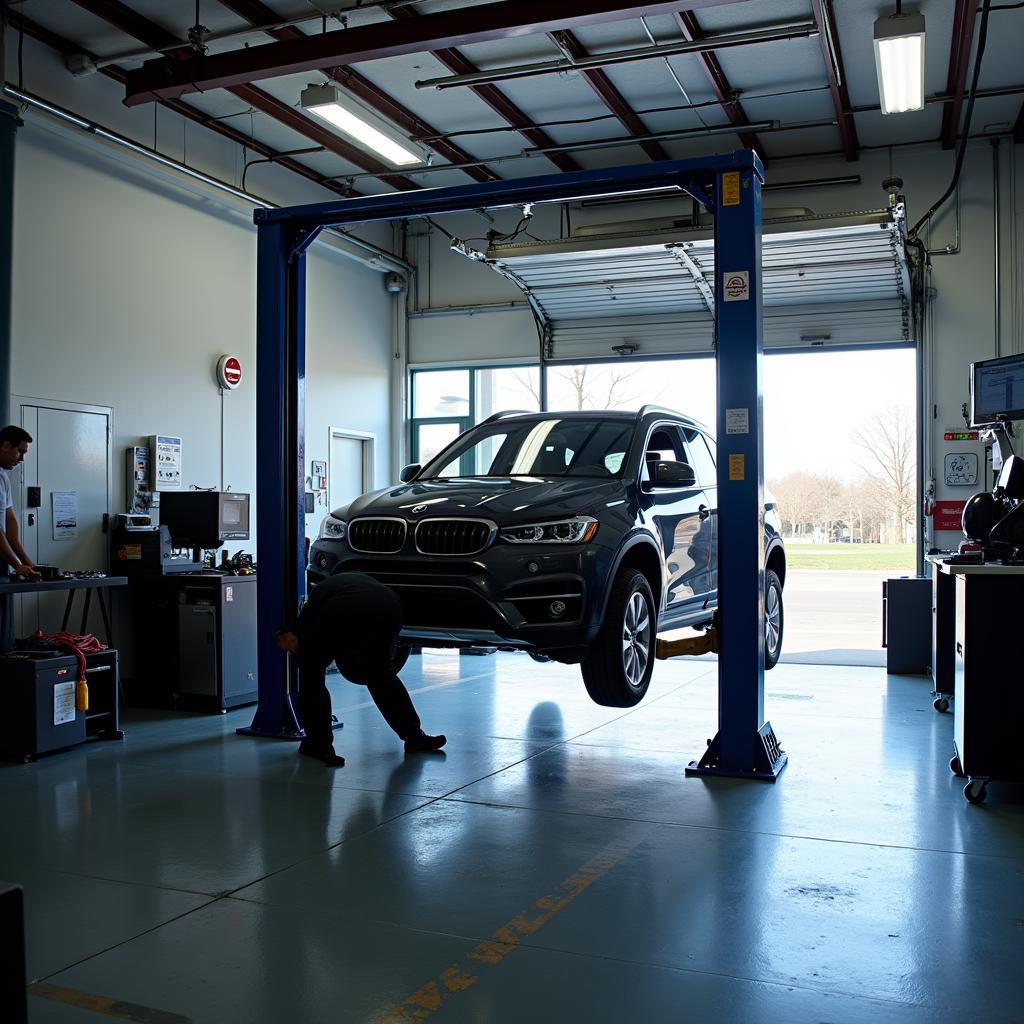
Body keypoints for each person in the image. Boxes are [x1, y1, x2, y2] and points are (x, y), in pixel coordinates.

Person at [275, 571, 445, 767]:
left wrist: (297, 644)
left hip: (346, 613)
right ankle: (415, 737)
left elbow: (304, 628)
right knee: (382, 675)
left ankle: (319, 745)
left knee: (311, 673)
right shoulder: (350, 583)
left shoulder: (319, 595)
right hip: (390, 608)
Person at [0, 426, 41, 651]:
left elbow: (9, 519)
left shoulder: (3, 478)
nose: (22, 459)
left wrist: (27, 561)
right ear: (6, 446)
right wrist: (16, 565)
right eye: (20, 452)